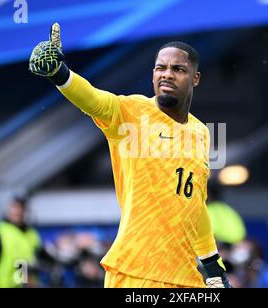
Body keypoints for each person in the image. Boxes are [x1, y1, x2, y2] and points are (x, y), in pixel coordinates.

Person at [28, 23, 231, 288]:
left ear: (195, 78)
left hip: (185, 278)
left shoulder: (201, 132)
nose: (167, 74)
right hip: (136, 272)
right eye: (161, 67)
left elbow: (195, 202)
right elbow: (93, 100)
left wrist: (213, 266)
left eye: (178, 69)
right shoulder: (132, 112)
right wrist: (60, 74)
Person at [0, 196, 41, 288]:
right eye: (14, 207)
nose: (17, 212)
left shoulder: (31, 235)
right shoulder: (0, 232)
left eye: (20, 208)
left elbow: (27, 262)